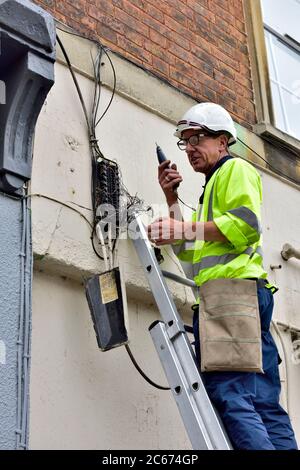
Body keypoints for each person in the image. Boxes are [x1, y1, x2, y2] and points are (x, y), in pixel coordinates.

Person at [147, 102, 298, 450]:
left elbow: (246, 226)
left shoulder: (234, 171)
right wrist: (171, 198)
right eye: (185, 142)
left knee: (231, 392)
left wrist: (183, 226)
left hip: (230, 297)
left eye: (197, 138)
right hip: (243, 297)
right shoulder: (210, 191)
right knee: (262, 403)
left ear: (223, 140)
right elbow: (188, 253)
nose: (190, 149)